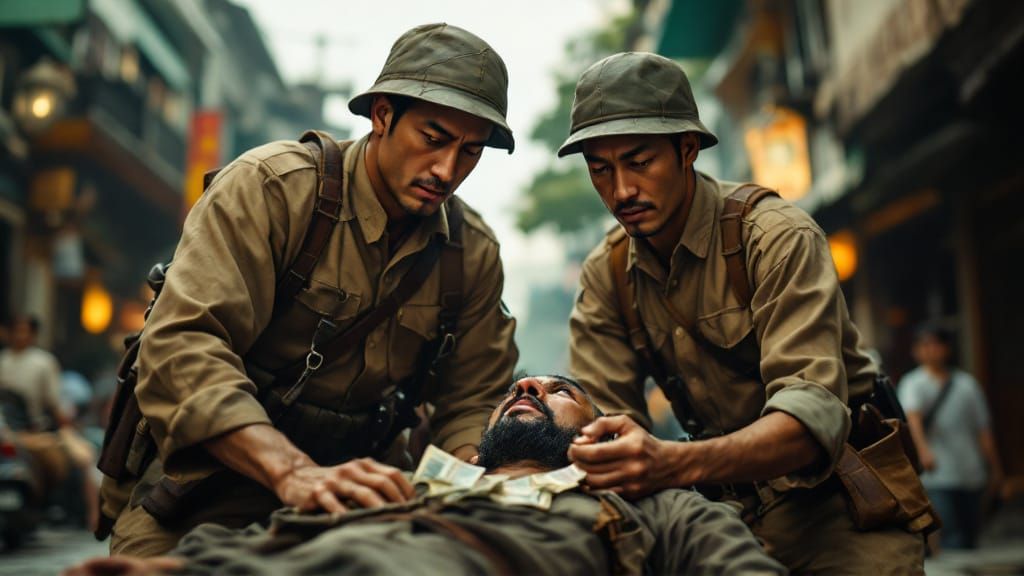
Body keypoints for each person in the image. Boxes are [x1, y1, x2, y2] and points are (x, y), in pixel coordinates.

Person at [104, 23, 519, 557]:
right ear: (383, 116)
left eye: (470, 151)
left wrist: (469, 482)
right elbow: (185, 348)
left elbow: (473, 397)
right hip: (207, 485)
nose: (447, 169)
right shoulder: (272, 190)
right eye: (434, 139)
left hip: (364, 498)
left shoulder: (472, 252)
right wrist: (291, 472)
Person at [560, 52, 926, 573]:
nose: (621, 191)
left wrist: (671, 463)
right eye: (601, 169)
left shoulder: (775, 236)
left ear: (687, 149)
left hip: (839, 501)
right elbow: (603, 423)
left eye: (639, 162)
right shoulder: (606, 275)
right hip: (717, 513)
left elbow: (809, 420)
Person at [66, 376, 785, 576]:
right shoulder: (401, 487)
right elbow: (279, 537)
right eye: (516, 390)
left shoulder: (645, 505)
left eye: (557, 390)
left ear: (598, 434)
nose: (528, 388)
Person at [898, 323, 1003, 550]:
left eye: (935, 344)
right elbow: (912, 420)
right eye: (924, 345)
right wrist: (924, 452)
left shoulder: (968, 385)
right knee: (950, 536)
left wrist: (995, 469)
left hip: (971, 471)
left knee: (971, 536)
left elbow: (983, 430)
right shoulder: (913, 383)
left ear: (946, 348)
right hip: (938, 474)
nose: (929, 350)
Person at [0, 315, 99, 528]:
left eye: (24, 331)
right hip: (10, 432)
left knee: (84, 458)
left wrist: (67, 427)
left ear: (33, 334)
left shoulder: (42, 362)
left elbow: (54, 405)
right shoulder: (3, 361)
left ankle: (94, 516)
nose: (20, 336)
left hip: (39, 431)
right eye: (16, 330)